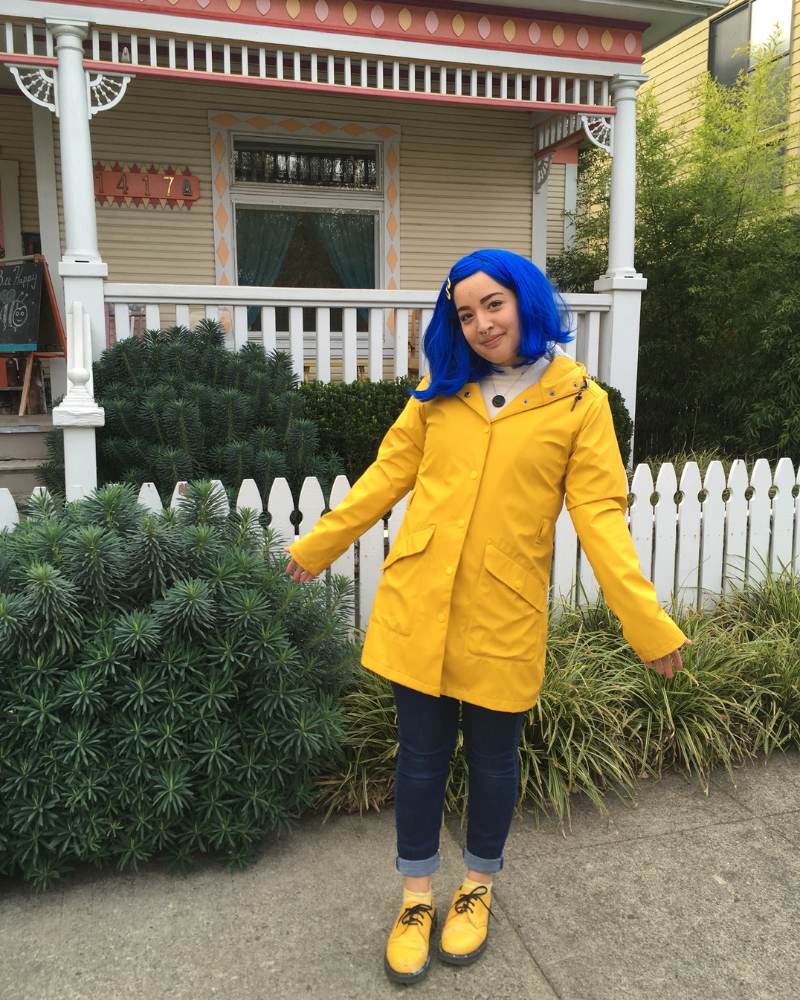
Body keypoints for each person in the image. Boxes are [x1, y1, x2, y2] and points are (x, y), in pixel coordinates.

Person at [284, 248, 691, 985]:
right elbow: (385, 476)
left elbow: (601, 518)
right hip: (419, 605)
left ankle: (476, 888)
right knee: (420, 758)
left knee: (495, 760)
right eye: (464, 313)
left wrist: (646, 621)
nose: (479, 323)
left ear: (525, 299)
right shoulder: (439, 391)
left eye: (492, 304)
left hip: (503, 614)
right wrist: (320, 543)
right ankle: (415, 899)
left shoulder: (578, 402)